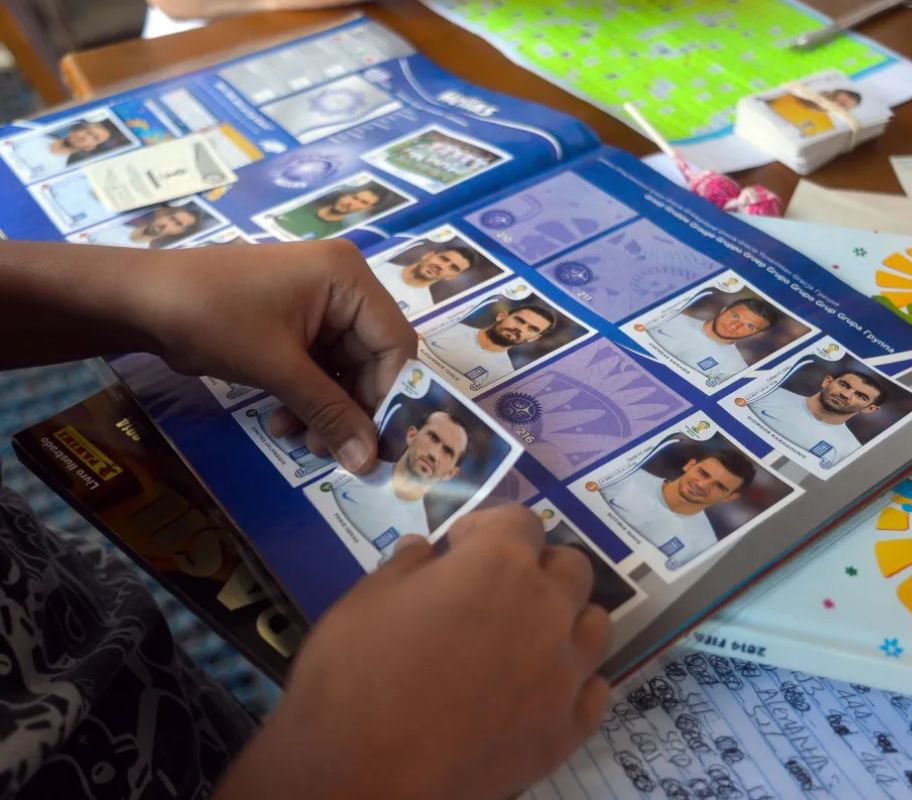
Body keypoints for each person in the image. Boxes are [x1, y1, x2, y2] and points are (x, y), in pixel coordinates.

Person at [0, 238, 611, 799]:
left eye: (450, 455)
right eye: (438, 443)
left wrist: (134, 293)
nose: (434, 455)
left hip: (106, 641)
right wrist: (358, 764)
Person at [334, 409, 471, 559]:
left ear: (450, 474)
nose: (434, 454)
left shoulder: (416, 539)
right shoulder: (348, 466)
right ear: (412, 435)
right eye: (433, 438)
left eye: (447, 451)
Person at [599, 448, 755, 570]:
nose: (702, 485)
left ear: (729, 497)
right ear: (689, 465)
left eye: (719, 486)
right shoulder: (623, 477)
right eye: (703, 473)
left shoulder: (704, 544)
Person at [749, 368, 888, 468]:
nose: (846, 395)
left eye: (860, 396)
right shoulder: (765, 395)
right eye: (843, 385)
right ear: (827, 382)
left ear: (869, 409)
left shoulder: (850, 451)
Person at [647, 297, 778, 384]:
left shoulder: (735, 369)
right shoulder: (669, 318)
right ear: (724, 310)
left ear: (758, 333)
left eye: (749, 326)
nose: (734, 326)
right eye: (734, 316)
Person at [425, 303, 557, 388]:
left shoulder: (502, 376)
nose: (520, 328)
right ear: (501, 316)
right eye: (519, 320)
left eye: (532, 329)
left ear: (534, 338)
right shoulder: (444, 328)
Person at [6, 118, 128, 177]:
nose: (86, 137)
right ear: (75, 130)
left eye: (95, 138)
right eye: (87, 131)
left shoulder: (57, 170)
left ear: (91, 147)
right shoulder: (33, 135)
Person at [376, 244, 477, 315]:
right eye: (444, 259)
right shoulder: (376, 265)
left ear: (451, 277)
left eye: (453, 268)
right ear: (428, 255)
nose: (441, 266)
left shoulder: (422, 309)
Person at [271, 184, 397, 240]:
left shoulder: (332, 235)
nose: (351, 203)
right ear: (345, 195)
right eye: (354, 197)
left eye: (363, 202)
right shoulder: (300, 203)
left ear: (367, 209)